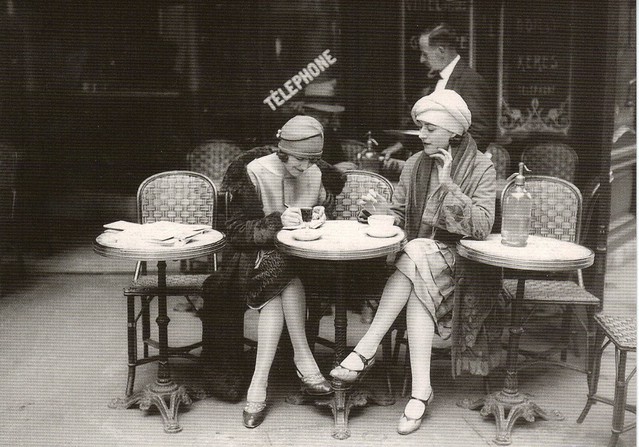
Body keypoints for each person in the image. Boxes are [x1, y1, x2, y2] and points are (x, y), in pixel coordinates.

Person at [330, 90, 503, 435]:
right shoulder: (414, 164)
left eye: (428, 128)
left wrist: (449, 185)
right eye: (420, 127)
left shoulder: (482, 166)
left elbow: (483, 226)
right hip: (420, 263)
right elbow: (399, 214)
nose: (420, 134)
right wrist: (382, 211)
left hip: (464, 263)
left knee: (415, 254)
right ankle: (421, 390)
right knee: (417, 265)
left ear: (453, 131)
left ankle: (366, 347)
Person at [200, 115, 346, 428]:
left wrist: (321, 213)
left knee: (285, 275)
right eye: (299, 161)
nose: (305, 168)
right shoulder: (253, 171)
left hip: (302, 262)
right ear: (282, 152)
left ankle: (259, 387)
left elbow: (319, 216)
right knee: (284, 274)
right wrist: (276, 222)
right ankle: (303, 359)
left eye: (312, 162)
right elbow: (236, 231)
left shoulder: (315, 172)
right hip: (248, 261)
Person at [382, 23, 496, 170]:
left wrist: (448, 163)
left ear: (441, 51)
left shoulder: (470, 81)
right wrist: (401, 145)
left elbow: (480, 133)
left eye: (425, 54)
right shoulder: (433, 80)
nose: (421, 60)